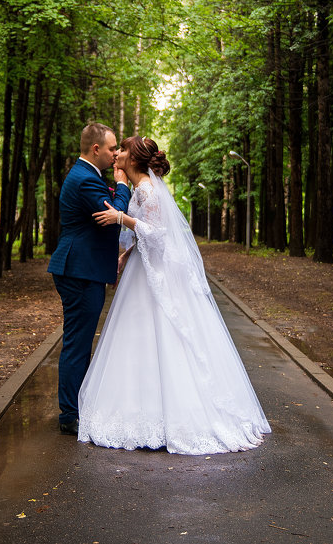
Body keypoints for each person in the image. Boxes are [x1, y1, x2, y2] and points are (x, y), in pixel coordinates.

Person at [77, 135, 271, 455]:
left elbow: (160, 236)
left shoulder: (149, 191)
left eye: (122, 150)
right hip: (142, 267)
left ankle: (173, 417)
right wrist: (124, 256)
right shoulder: (141, 189)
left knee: (164, 336)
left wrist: (122, 218)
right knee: (135, 337)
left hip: (157, 274)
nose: (117, 155)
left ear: (135, 159)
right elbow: (143, 236)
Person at [48, 123, 131, 435]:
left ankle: (76, 406)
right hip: (78, 270)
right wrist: (122, 184)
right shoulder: (85, 180)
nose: (114, 155)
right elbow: (114, 218)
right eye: (111, 149)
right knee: (77, 344)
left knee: (79, 342)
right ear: (96, 149)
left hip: (84, 268)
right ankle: (70, 415)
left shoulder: (88, 176)